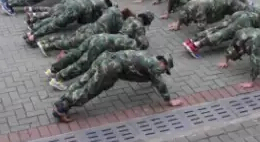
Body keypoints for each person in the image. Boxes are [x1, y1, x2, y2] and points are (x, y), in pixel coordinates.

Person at [52, 51, 182, 123]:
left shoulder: (148, 56)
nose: (164, 72)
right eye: (165, 70)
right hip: (111, 68)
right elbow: (160, 82)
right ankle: (62, 107)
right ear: (163, 64)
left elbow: (144, 74)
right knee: (90, 91)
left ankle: (63, 99)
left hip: (105, 57)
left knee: (83, 81)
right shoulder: (156, 66)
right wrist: (169, 100)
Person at [183, 4, 260, 57]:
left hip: (241, 14)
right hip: (245, 21)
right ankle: (196, 45)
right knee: (223, 34)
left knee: (219, 27)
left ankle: (193, 40)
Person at [47, 33, 144, 90]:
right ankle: (59, 79)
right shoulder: (133, 47)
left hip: (97, 37)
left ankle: (53, 70)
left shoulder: (128, 38)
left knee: (77, 53)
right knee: (83, 65)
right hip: (99, 44)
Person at [168, 0, 249, 31]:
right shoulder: (188, 6)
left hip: (228, 1)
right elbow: (182, 13)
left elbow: (202, 27)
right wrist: (178, 24)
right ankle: (247, 2)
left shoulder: (199, 11)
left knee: (247, 11)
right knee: (240, 1)